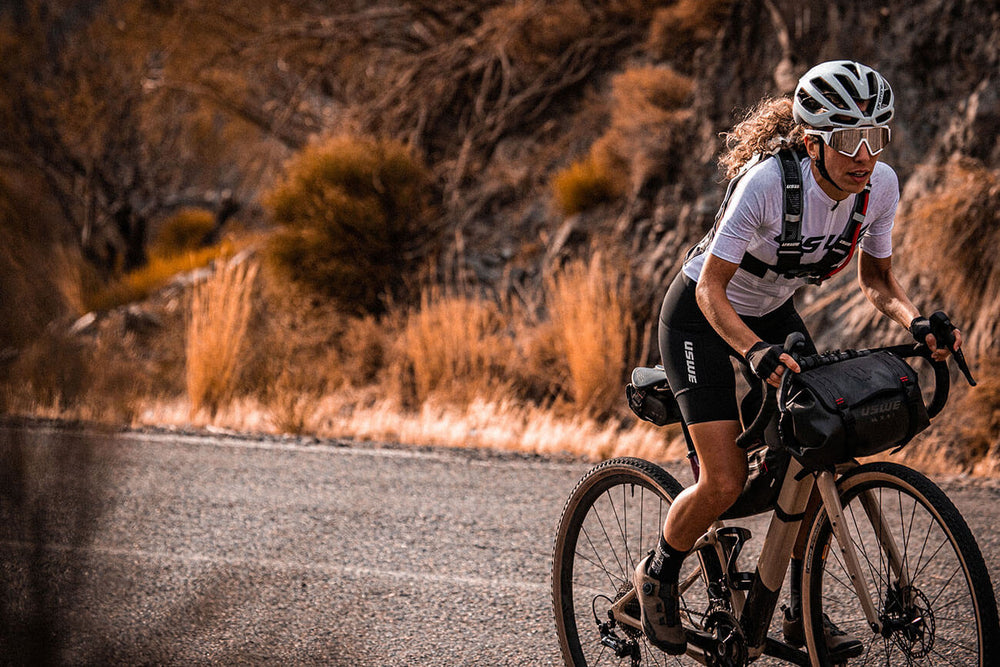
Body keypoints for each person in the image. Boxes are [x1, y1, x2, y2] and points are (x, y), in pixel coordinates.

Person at [632, 60, 962, 657]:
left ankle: (797, 610)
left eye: (875, 136)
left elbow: (877, 280)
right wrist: (753, 351)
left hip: (771, 312)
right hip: (701, 315)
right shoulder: (766, 185)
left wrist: (915, 321)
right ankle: (658, 571)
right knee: (724, 480)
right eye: (847, 139)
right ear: (813, 142)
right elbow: (711, 290)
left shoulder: (880, 186)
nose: (864, 155)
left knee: (818, 445)